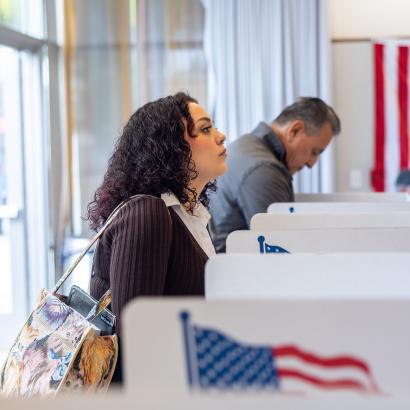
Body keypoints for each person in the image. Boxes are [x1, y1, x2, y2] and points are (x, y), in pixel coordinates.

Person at [87, 92, 227, 382]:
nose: (221, 136)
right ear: (171, 148)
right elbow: (137, 344)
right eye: (205, 129)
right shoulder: (147, 214)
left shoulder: (189, 216)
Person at [209, 97, 341, 252]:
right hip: (237, 271)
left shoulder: (245, 145)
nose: (312, 164)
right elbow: (284, 249)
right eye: (314, 152)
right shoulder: (265, 171)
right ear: (295, 130)